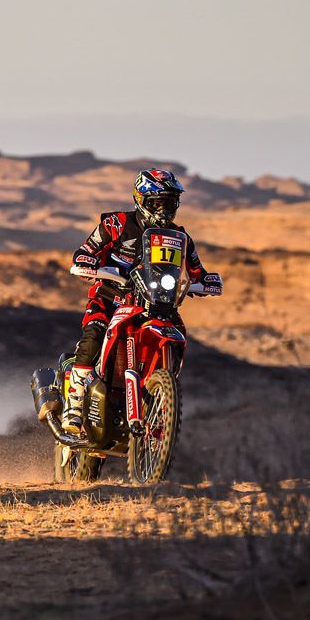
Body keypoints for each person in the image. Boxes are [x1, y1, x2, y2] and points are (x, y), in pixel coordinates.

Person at [62, 168, 222, 434]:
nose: (163, 210)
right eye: (156, 203)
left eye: (169, 203)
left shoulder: (180, 238)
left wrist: (207, 281)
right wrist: (87, 262)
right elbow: (87, 250)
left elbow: (197, 270)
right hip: (110, 297)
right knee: (93, 336)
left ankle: (158, 398)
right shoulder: (117, 224)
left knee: (176, 333)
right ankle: (75, 406)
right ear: (141, 200)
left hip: (157, 302)